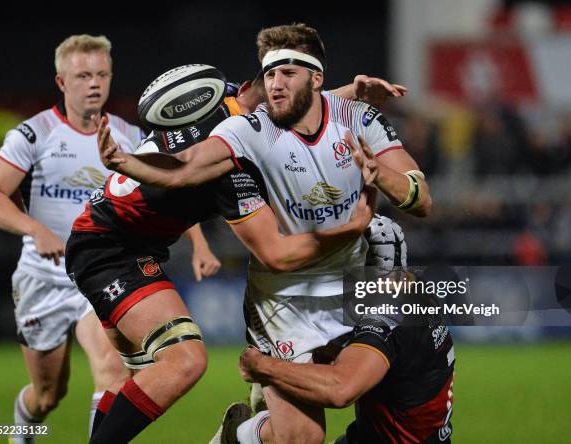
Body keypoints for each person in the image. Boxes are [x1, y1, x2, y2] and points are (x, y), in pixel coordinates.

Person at [98, 23, 431, 444]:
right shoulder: (249, 130)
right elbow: (187, 168)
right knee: (301, 439)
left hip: (349, 287)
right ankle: (242, 427)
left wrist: (379, 173)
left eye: (287, 73)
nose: (275, 83)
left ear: (316, 78)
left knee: (385, 387)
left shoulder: (360, 118)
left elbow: (421, 200)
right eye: (269, 73)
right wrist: (127, 162)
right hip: (282, 301)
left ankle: (247, 428)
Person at [0, 34, 220, 443]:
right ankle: (16, 430)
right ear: (61, 82)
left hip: (98, 269)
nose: (94, 83)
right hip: (44, 275)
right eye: (83, 75)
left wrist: (199, 244)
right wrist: (36, 229)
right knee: (46, 396)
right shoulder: (33, 134)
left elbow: (166, 190)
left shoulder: (129, 136)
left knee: (112, 369)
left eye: (102, 74)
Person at [238, 271, 455, 444]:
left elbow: (340, 389)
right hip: (374, 437)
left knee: (298, 438)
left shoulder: (388, 319)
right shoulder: (412, 295)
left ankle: (239, 435)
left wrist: (263, 366)